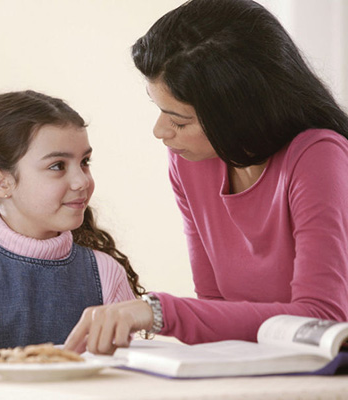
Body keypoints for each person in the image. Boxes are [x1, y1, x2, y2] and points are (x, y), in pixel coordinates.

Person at [64, 0, 348, 355]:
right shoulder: (191, 162)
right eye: (160, 111)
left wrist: (159, 311)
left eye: (179, 121)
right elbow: (215, 305)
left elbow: (321, 318)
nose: (160, 131)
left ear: (238, 112)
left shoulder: (318, 156)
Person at [0, 90, 144, 353]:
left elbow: (130, 368)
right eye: (58, 165)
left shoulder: (105, 271)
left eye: (84, 162)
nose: (82, 181)